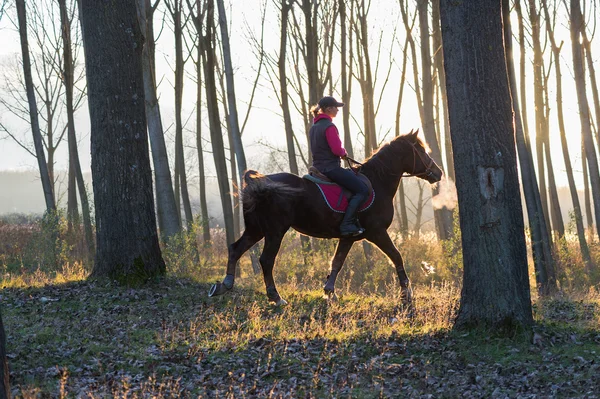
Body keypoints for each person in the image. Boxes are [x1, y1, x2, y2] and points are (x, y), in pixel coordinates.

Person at [309, 96, 369, 237]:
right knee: (362, 190)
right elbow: (336, 149)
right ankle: (347, 224)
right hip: (331, 168)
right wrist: (343, 153)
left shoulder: (314, 127)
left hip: (318, 167)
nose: (337, 110)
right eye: (336, 107)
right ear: (329, 108)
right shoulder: (329, 126)